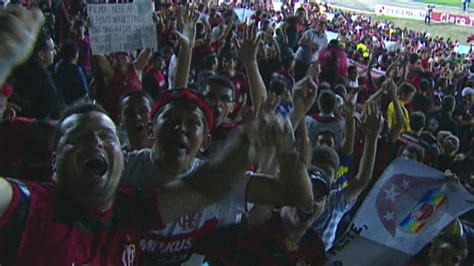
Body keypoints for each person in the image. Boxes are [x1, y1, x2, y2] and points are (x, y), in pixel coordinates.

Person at [11, 30, 65, 120]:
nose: (55, 53)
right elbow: (55, 108)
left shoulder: (20, 69)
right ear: (41, 55)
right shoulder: (42, 78)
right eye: (52, 50)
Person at [53, 40, 88, 105]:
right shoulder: (77, 71)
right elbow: (84, 93)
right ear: (76, 55)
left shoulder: (57, 66)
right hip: (74, 106)